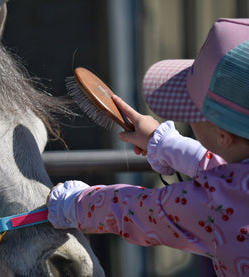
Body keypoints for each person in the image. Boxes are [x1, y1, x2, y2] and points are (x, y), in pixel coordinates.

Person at [47, 18, 249, 277]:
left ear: (223, 135)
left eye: (193, 111)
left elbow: (141, 211)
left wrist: (73, 204)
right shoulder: (233, 189)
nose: (188, 118)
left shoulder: (216, 207)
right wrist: (164, 143)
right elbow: (228, 176)